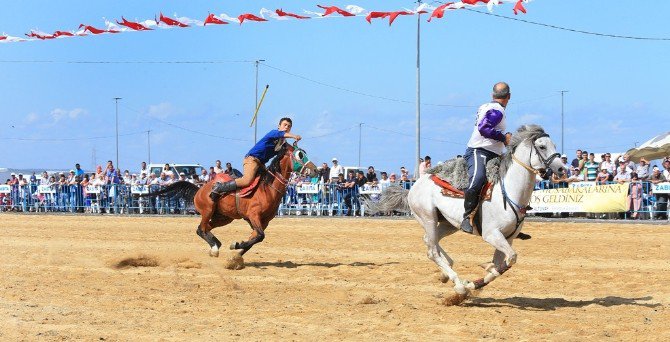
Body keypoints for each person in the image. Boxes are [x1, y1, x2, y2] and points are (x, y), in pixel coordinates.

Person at [461, 82, 513, 234]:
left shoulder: (486, 106)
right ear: (508, 97)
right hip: (479, 151)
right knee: (477, 179)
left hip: (493, 153)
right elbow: (483, 128)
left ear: (492, 95)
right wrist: (503, 138)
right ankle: (467, 217)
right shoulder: (497, 110)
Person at [210, 117, 302, 201]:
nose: (286, 127)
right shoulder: (274, 133)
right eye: (284, 125)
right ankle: (219, 187)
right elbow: (281, 134)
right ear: (279, 126)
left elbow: (291, 150)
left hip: (261, 164)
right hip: (252, 159)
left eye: (289, 126)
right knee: (247, 180)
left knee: (267, 182)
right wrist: (294, 136)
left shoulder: (282, 143)